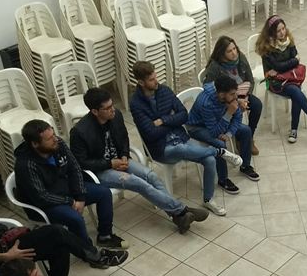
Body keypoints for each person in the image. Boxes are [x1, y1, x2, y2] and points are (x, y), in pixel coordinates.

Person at [70, 87, 208, 235]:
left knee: (151, 176)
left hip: (120, 161)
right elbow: (81, 163)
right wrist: (110, 163)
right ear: (95, 111)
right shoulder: (80, 132)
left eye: (112, 105)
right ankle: (182, 210)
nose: (113, 109)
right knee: (138, 183)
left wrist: (124, 155)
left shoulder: (116, 116)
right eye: (107, 108)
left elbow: (124, 138)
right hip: (101, 170)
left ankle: (179, 217)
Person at [129, 60, 244, 216]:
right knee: (181, 149)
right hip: (161, 148)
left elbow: (183, 115)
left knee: (209, 160)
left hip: (180, 137)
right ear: (141, 82)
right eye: (151, 79)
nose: (156, 81)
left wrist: (163, 120)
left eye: (156, 77)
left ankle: (208, 199)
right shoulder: (136, 104)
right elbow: (150, 133)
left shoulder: (164, 90)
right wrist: (172, 120)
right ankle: (218, 151)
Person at [14, 119, 130, 251]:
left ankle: (105, 236)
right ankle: (88, 251)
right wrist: (71, 202)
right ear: (35, 144)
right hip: (46, 205)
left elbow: (74, 168)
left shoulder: (58, 144)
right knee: (75, 218)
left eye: (54, 134)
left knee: (104, 193)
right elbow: (41, 196)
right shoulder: (26, 165)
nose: (55, 139)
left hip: (66, 190)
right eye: (49, 138)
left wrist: (79, 196)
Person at [256, 15, 307, 143]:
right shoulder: (267, 48)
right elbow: (281, 65)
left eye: (283, 28)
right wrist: (292, 62)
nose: (282, 32)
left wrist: (287, 64)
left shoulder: (289, 40)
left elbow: (291, 62)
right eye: (278, 30)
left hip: (291, 77)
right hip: (275, 82)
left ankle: (294, 130)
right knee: (295, 91)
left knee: (295, 92)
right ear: (271, 32)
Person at [187, 74, 261, 194]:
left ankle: (245, 166)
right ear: (221, 95)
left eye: (235, 93)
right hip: (198, 127)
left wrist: (229, 133)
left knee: (246, 130)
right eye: (232, 94)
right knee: (219, 143)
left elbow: (237, 117)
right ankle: (223, 179)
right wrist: (229, 113)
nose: (236, 97)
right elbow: (215, 132)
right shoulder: (206, 103)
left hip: (218, 120)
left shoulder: (228, 96)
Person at [203, 35, 262, 155]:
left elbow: (250, 80)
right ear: (222, 53)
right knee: (235, 112)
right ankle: (239, 137)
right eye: (229, 51)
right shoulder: (215, 67)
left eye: (234, 49)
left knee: (257, 105)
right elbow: (209, 88)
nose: (234, 53)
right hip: (226, 99)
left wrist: (245, 98)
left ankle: (249, 138)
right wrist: (234, 101)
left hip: (243, 92)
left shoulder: (241, 58)